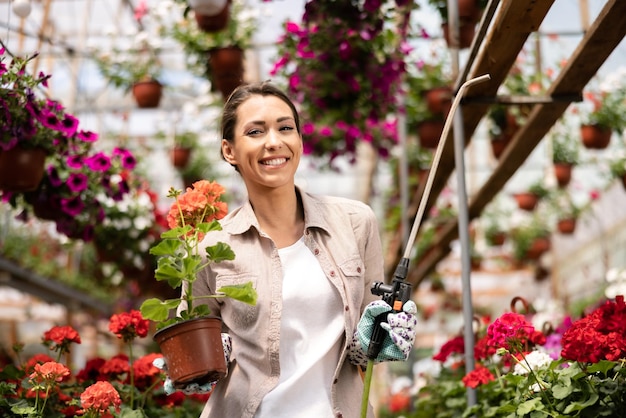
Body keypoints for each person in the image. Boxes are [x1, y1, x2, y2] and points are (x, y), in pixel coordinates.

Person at [170, 81, 417, 418]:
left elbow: (364, 349)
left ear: (299, 139)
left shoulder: (354, 222)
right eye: (256, 132)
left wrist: (384, 335)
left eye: (285, 128)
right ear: (229, 151)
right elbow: (201, 348)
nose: (274, 142)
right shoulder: (210, 248)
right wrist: (193, 363)